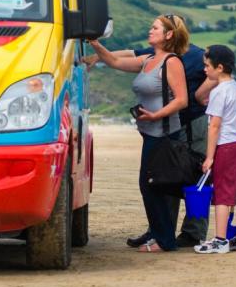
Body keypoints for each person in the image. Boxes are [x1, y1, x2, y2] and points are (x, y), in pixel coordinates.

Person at [85, 16, 214, 247]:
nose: (150, 29)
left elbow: (215, 78)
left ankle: (189, 233)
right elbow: (118, 58)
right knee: (159, 182)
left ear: (170, 33)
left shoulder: (188, 57)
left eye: (156, 27)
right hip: (156, 130)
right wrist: (96, 47)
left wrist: (200, 97)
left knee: (187, 178)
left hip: (184, 124)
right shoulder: (152, 56)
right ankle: (160, 232)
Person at [195, 45, 236, 254]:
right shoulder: (235, 87)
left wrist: (209, 157)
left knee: (222, 193)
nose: (205, 70)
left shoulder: (218, 92)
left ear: (219, 67)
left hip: (225, 146)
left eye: (207, 66)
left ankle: (220, 239)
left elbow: (214, 126)